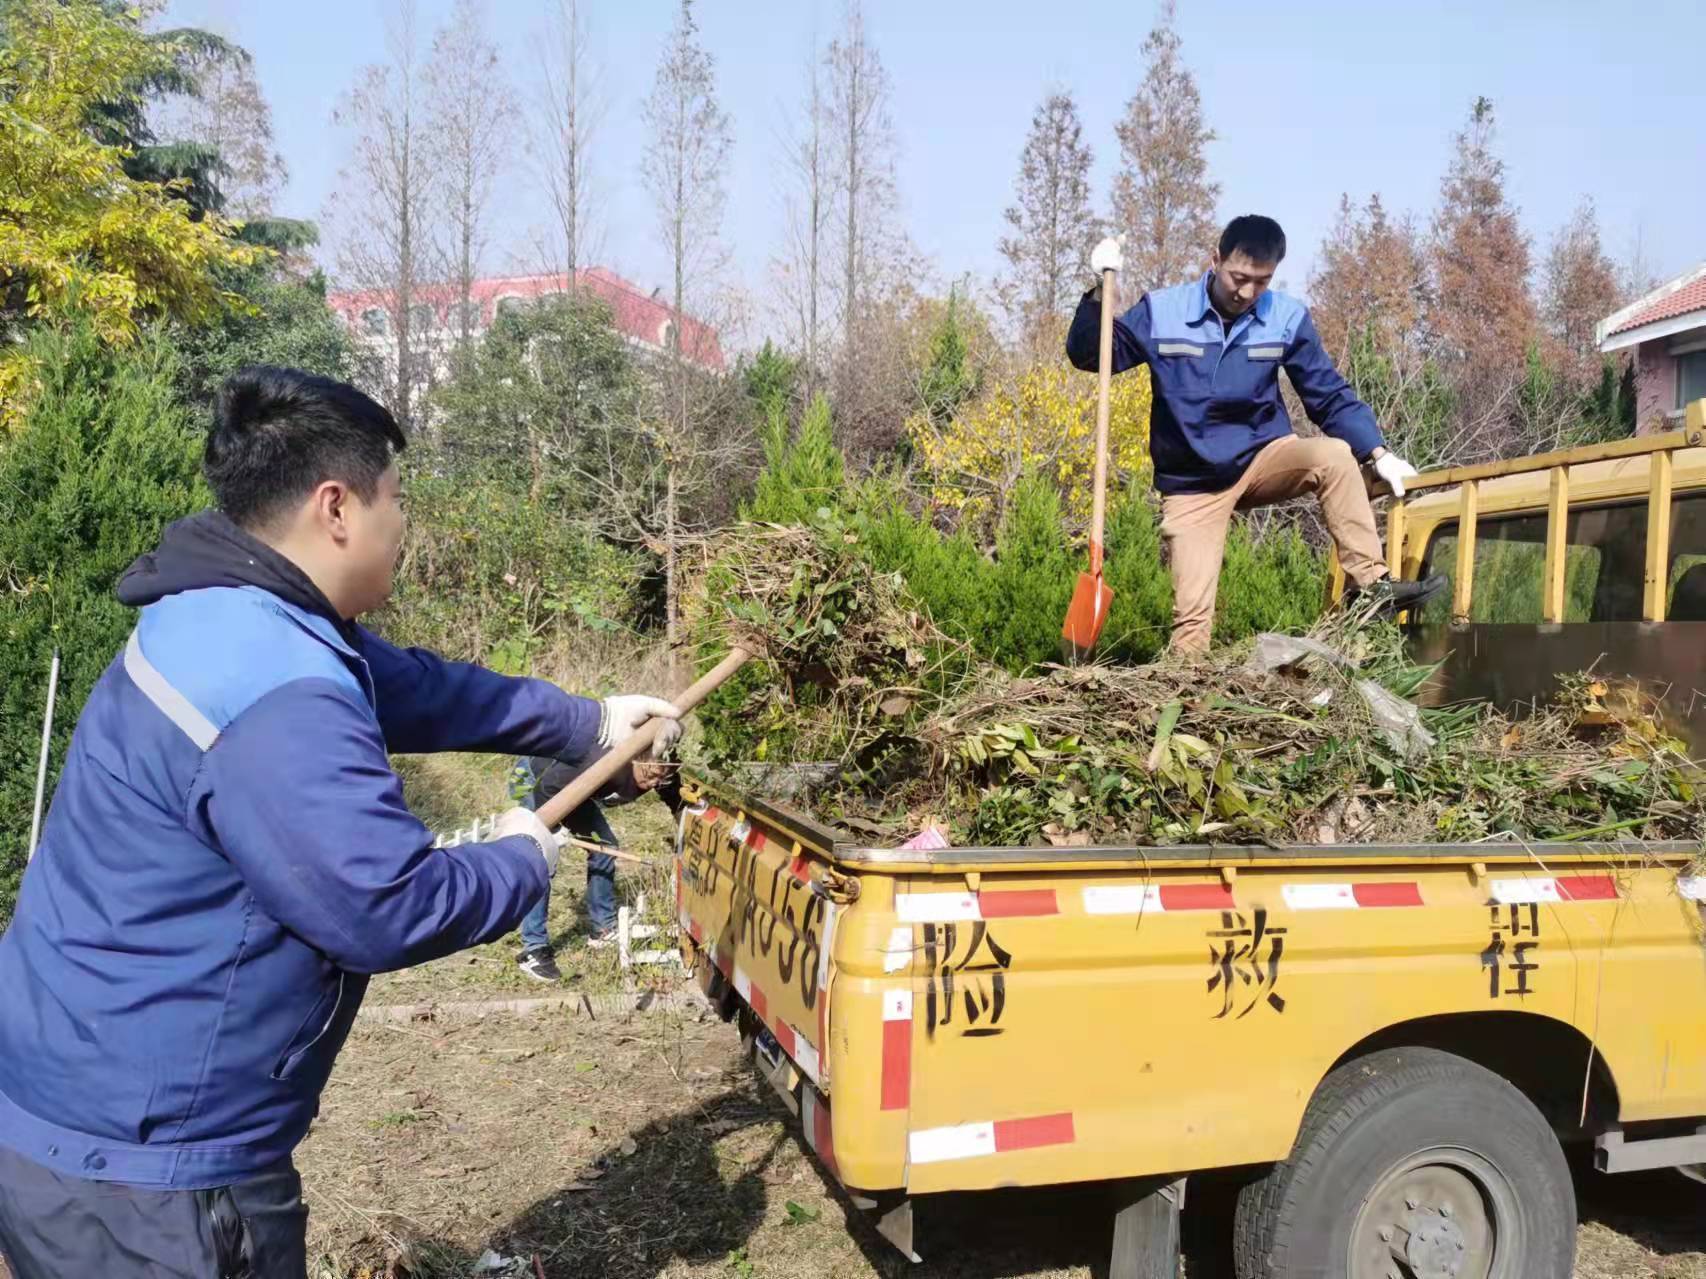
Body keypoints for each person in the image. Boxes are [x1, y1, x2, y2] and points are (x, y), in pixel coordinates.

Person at [0, 365, 681, 1278]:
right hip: (149, 1183)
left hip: (57, 1105)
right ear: (336, 508)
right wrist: (522, 854)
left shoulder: (224, 610)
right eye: (394, 497)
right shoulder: (274, 688)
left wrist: (591, 720)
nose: (401, 522)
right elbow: (382, 905)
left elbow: (421, 689)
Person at [1066, 214, 1446, 653]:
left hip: (1265, 455)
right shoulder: (1162, 312)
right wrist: (1098, 291)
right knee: (1191, 626)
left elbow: (1326, 393)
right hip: (1193, 484)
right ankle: (1187, 702)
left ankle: (1372, 585)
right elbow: (1091, 356)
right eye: (1239, 277)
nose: (1247, 293)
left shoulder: (1284, 318)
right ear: (1216, 260)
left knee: (1336, 455)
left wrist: (1377, 452)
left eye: (1261, 282)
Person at [506, 753, 677, 978]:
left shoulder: (659, 763)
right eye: (653, 776)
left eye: (661, 779)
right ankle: (534, 948)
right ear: (634, 759)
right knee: (541, 856)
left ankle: (602, 929)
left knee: (605, 847)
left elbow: (674, 792)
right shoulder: (603, 760)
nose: (656, 783)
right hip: (539, 782)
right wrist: (550, 830)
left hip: (579, 788)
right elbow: (548, 787)